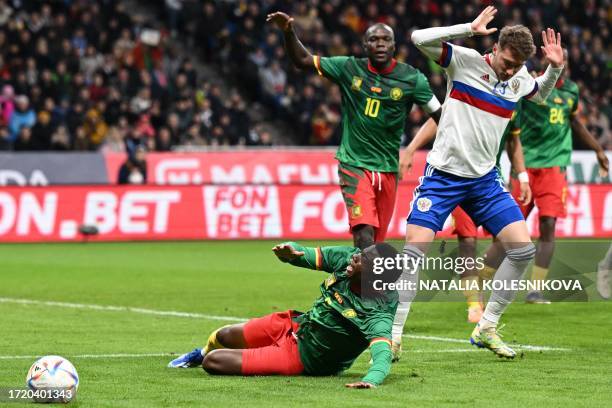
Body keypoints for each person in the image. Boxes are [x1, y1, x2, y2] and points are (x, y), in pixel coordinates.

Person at [392, 6, 565, 360]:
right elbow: (417, 38)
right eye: (507, 61)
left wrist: (555, 68)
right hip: (442, 176)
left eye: (518, 65)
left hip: (484, 180)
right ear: (496, 47)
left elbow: (541, 93)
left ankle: (486, 326)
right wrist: (467, 28)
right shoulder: (465, 61)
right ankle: (392, 337)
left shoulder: (519, 79)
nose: (511, 70)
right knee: (414, 253)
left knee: (522, 250)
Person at [267, 11, 442, 249]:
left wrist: (412, 150)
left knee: (374, 244)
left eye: (385, 39)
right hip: (354, 164)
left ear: (394, 46)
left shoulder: (412, 79)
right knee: (364, 234)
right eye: (373, 39)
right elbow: (303, 60)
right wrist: (288, 32)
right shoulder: (349, 68)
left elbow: (440, 117)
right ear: (364, 45)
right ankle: (372, 286)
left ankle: (353, 285)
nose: (380, 44)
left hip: (388, 169)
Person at [168, 242, 402, 389]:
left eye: (363, 259)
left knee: (214, 362)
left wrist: (371, 380)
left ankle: (241, 356)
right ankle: (198, 354)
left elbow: (382, 353)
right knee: (223, 335)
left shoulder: (377, 311)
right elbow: (305, 254)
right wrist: (289, 252)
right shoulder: (347, 260)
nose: (355, 257)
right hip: (297, 324)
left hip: (304, 356)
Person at [400, 104, 531, 324]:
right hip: (453, 177)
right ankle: (473, 305)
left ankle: (479, 278)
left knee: (508, 243)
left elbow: (513, 140)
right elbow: (437, 117)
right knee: (467, 241)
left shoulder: (514, 99)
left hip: (489, 179)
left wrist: (522, 176)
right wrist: (411, 149)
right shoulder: (469, 84)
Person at [508, 51, 609, 304]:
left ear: (565, 63)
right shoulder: (531, 87)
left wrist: (597, 150)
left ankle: (535, 290)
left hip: (554, 168)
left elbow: (575, 123)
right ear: (544, 62)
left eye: (561, 59)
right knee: (508, 230)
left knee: (549, 226)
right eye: (551, 59)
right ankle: (486, 281)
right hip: (526, 167)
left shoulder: (571, 92)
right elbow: (511, 126)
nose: (555, 63)